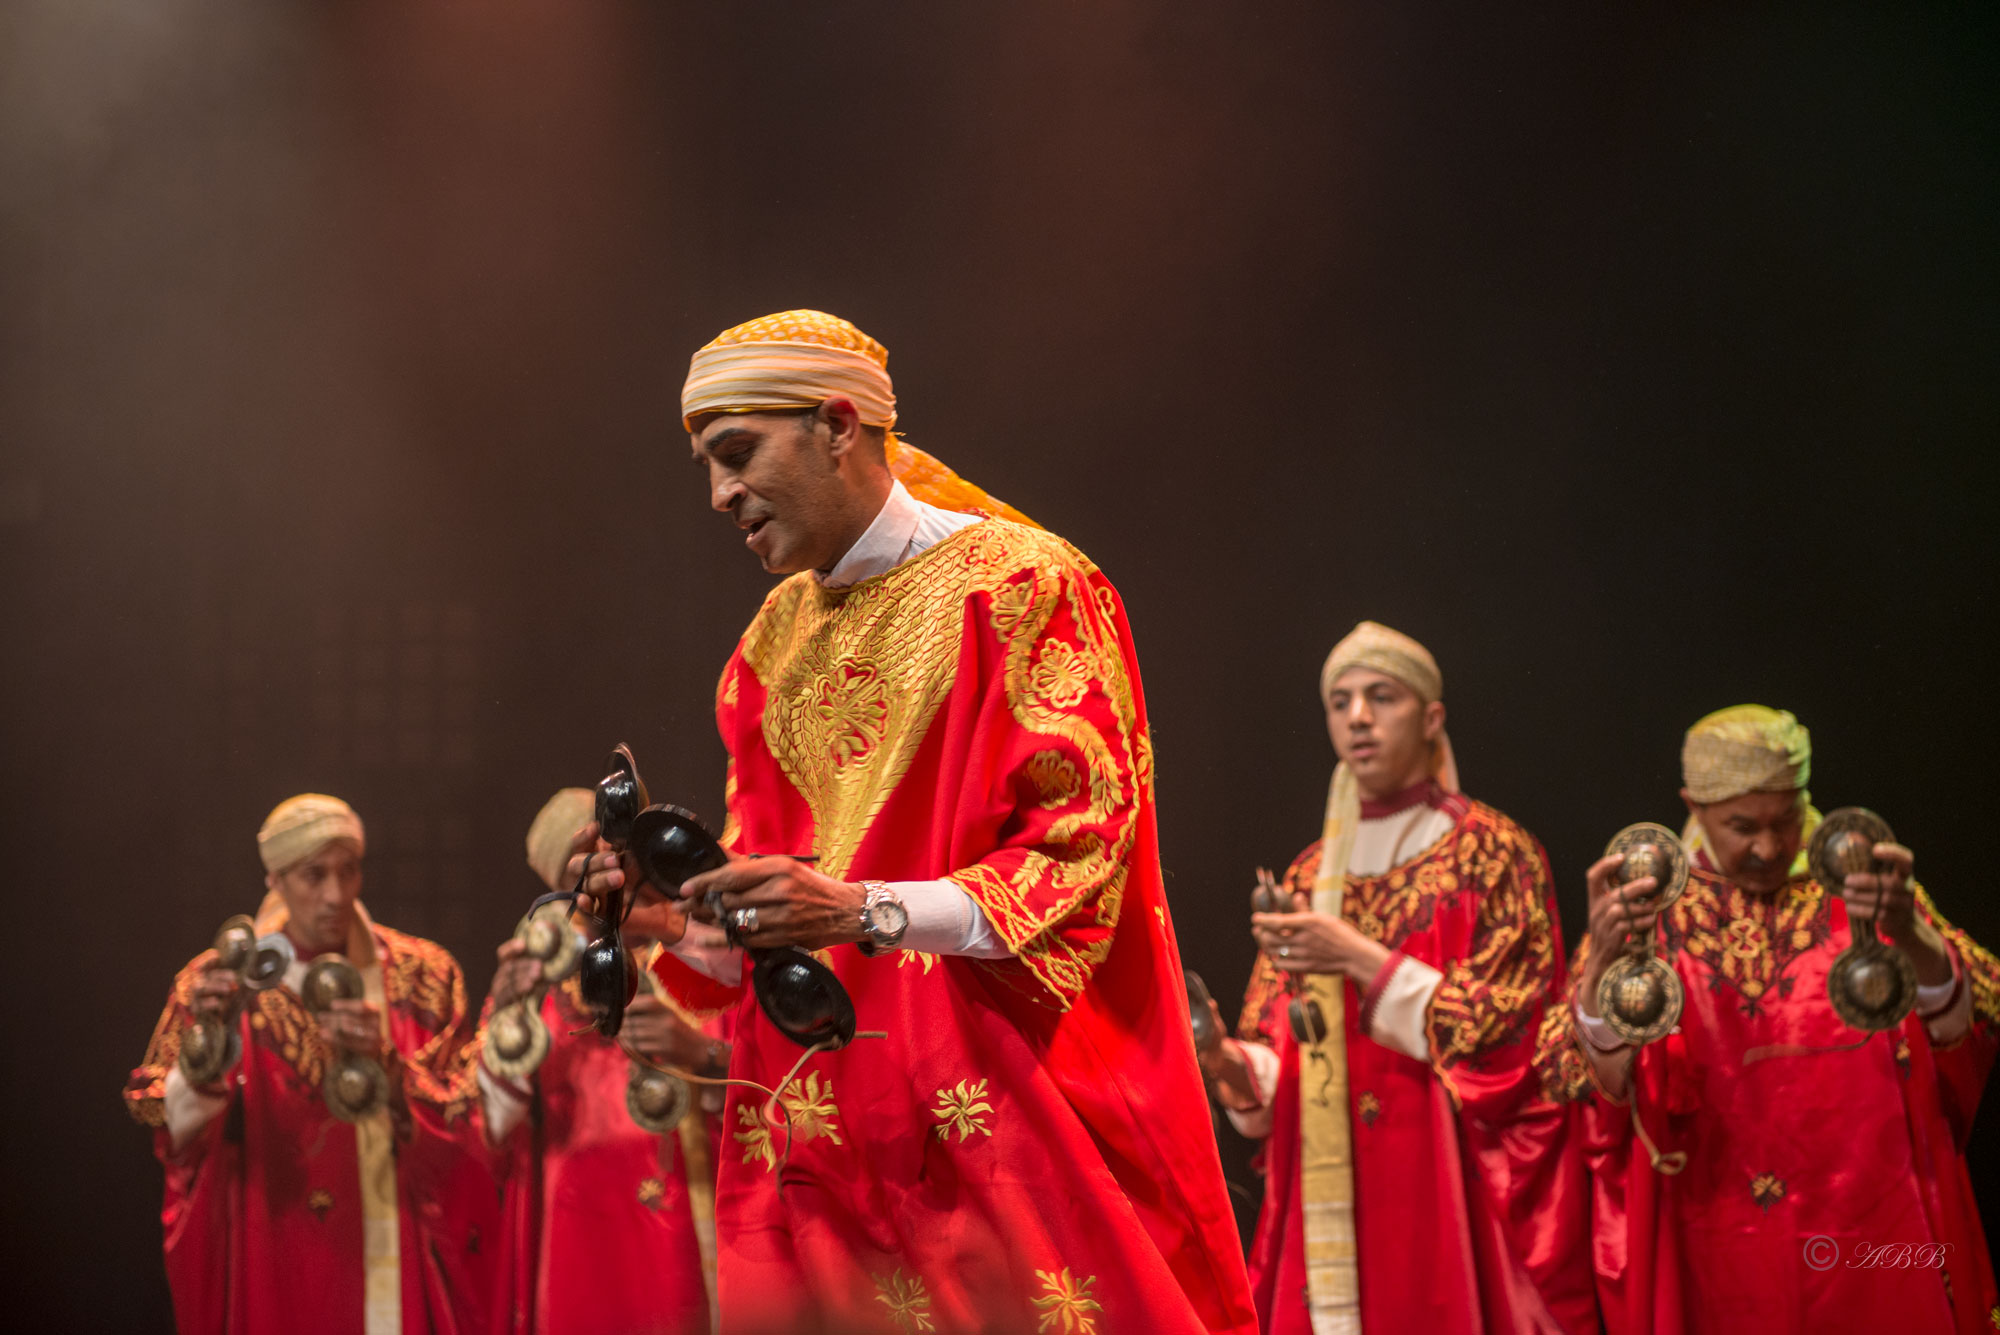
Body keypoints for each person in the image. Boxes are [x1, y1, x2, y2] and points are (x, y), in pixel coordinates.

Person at [567, 309, 1256, 1333]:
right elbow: (772, 914)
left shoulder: (1026, 587)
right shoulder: (767, 650)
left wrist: (862, 910)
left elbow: (1077, 854)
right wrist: (662, 925)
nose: (718, 496)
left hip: (1006, 1134)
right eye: (706, 467)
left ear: (838, 425)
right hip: (826, 1150)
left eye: (736, 454)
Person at [1534, 705, 1999, 1334]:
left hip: (1867, 1230)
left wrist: (1912, 934)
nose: (1770, 846)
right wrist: (1598, 979)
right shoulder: (1651, 913)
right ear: (1692, 806)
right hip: (1708, 1229)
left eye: (1787, 819)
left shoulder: (1860, 892)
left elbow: (1969, 1025)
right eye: (1741, 825)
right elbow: (1576, 1079)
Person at [1199, 620, 1594, 1334]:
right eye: (1340, 701)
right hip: (1327, 1173)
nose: (1357, 717)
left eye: (1381, 697)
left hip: (1441, 1177)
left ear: (1432, 716)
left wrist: (1354, 954)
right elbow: (1281, 1040)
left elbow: (1515, 1037)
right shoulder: (1311, 871)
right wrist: (1224, 1058)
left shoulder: (1491, 852)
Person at [125, 793, 493, 1335]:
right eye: (313, 875)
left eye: (349, 872)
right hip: (271, 1242)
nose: (335, 896)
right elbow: (166, 1122)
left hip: (389, 1244)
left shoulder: (423, 977)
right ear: (274, 879)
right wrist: (213, 1046)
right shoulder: (216, 983)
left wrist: (390, 1070)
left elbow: (470, 1122)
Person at [475, 787, 729, 1335]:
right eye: (590, 873)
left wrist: (702, 1055)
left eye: (622, 862)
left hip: (695, 1221)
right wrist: (509, 1013)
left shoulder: (707, 952)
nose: (613, 883)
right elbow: (490, 1126)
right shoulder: (537, 976)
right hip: (579, 1234)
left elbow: (785, 1094)